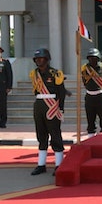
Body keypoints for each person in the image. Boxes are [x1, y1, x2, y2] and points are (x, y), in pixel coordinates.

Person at [29, 48, 66, 176]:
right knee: (41, 135)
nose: (39, 61)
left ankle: (58, 164)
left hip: (51, 106)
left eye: (41, 58)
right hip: (39, 105)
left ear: (47, 59)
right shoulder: (34, 74)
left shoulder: (55, 73)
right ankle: (41, 164)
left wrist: (60, 109)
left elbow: (61, 92)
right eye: (37, 59)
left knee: (55, 134)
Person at [81, 47, 102, 137]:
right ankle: (91, 138)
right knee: (90, 121)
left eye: (94, 58)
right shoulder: (84, 69)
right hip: (89, 97)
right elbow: (84, 81)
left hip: (101, 96)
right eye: (90, 58)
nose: (92, 60)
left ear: (98, 58)